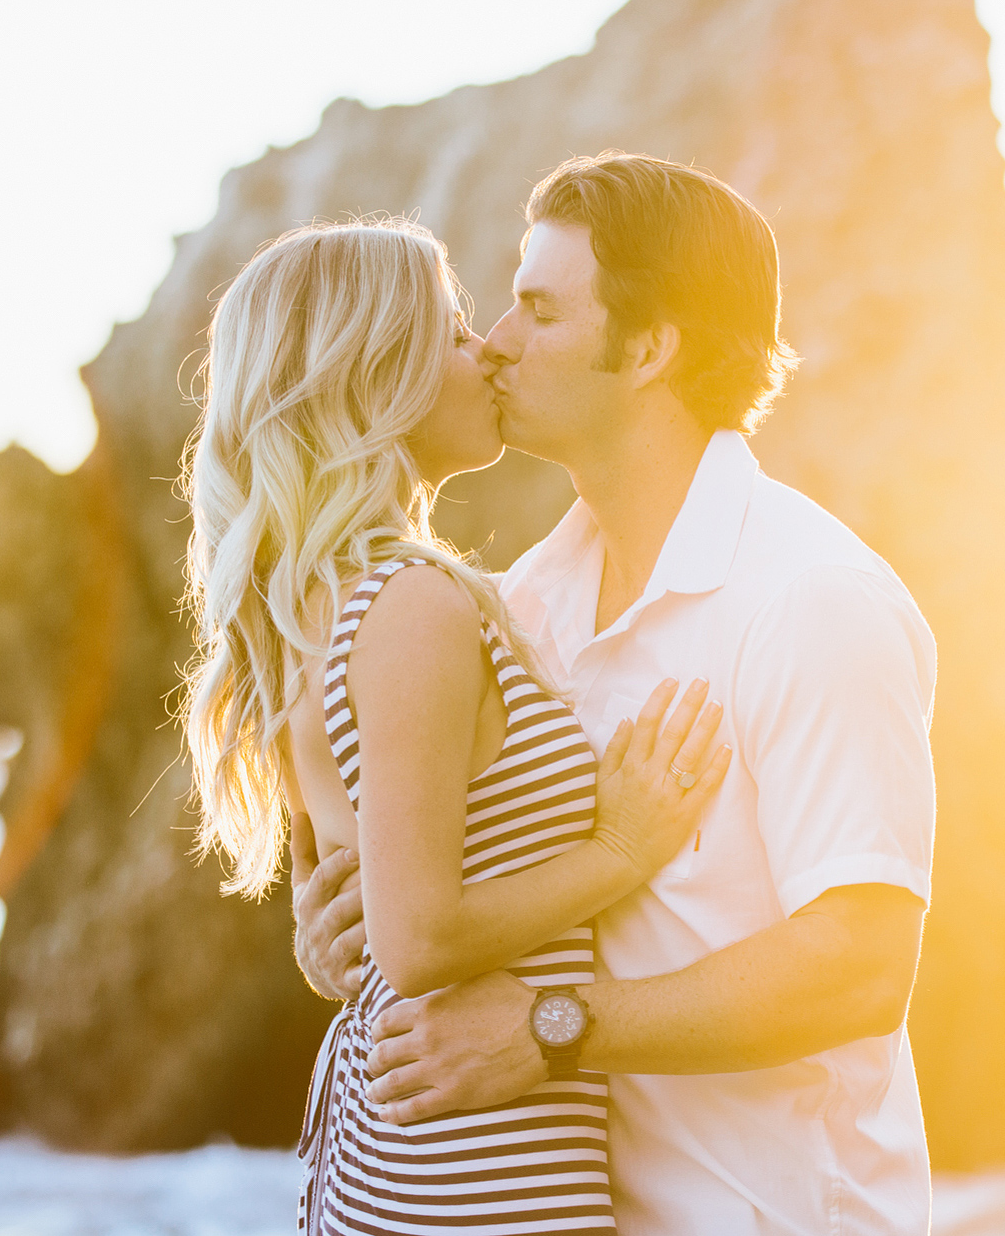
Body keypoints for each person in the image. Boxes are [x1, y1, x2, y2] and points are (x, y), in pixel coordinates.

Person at [293, 155, 940, 1235]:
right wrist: (347, 939)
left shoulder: (810, 600)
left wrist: (551, 1025)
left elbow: (858, 965)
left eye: (539, 310)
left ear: (646, 348)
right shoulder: (518, 608)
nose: (495, 338)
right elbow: (451, 902)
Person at [180, 216, 734, 1234]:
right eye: (451, 329)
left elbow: (351, 909)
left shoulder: (315, 607)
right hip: (470, 1174)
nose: (483, 351)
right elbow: (418, 934)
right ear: (371, 375)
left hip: (418, 1150)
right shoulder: (409, 604)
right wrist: (622, 845)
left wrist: (330, 949)